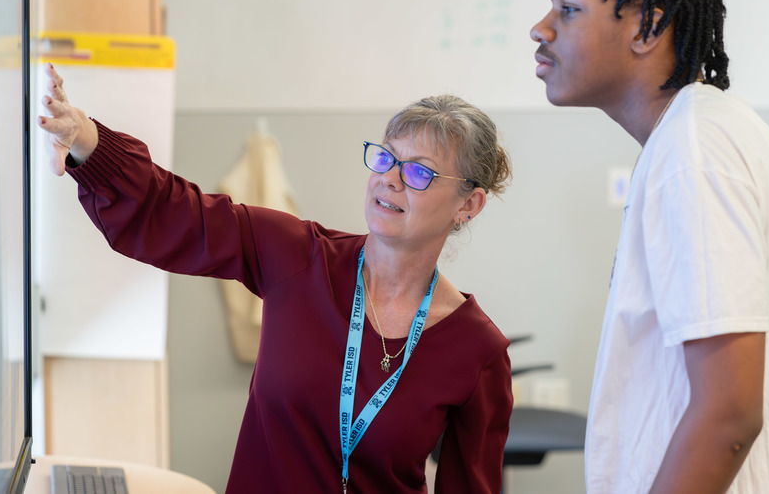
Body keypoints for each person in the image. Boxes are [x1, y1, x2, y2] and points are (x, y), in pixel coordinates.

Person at [37, 63, 513, 494]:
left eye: (419, 172)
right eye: (387, 158)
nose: (390, 178)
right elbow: (174, 212)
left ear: (467, 205)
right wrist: (85, 138)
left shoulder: (477, 350)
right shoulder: (299, 257)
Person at [530, 0, 769, 492]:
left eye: (568, 9)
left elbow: (730, 414)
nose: (540, 29)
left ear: (646, 27)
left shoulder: (695, 147)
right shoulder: (697, 135)